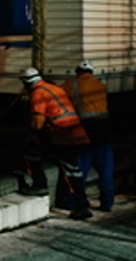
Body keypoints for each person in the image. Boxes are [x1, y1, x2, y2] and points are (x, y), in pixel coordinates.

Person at [19, 67, 92, 220]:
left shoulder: (38, 94)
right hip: (76, 133)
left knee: (31, 152)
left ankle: (40, 185)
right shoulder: (53, 88)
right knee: (73, 171)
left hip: (63, 136)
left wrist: (32, 136)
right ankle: (81, 203)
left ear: (27, 83)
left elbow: (38, 123)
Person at [64, 61, 114, 211]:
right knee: (106, 168)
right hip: (104, 128)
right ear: (91, 72)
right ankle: (107, 203)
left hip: (85, 128)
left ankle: (75, 202)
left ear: (78, 71)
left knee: (80, 167)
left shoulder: (71, 85)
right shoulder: (100, 85)